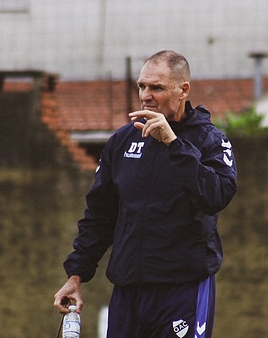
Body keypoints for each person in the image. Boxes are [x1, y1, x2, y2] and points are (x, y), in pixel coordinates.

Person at [54, 50, 237, 338]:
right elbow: (100, 216)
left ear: (183, 90)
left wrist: (173, 144)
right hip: (129, 294)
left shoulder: (210, 140)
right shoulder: (122, 141)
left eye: (157, 88)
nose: (146, 95)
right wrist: (76, 275)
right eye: (142, 86)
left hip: (182, 291)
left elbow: (217, 195)